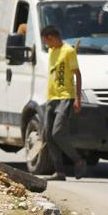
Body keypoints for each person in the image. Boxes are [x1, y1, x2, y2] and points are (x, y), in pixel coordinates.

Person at [40, 25, 86, 180]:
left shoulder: (69, 51)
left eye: (46, 41)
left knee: (58, 132)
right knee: (48, 135)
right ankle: (59, 171)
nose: (46, 45)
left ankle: (78, 161)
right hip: (52, 97)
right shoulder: (51, 51)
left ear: (51, 37)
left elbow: (78, 76)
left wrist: (78, 98)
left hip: (65, 97)